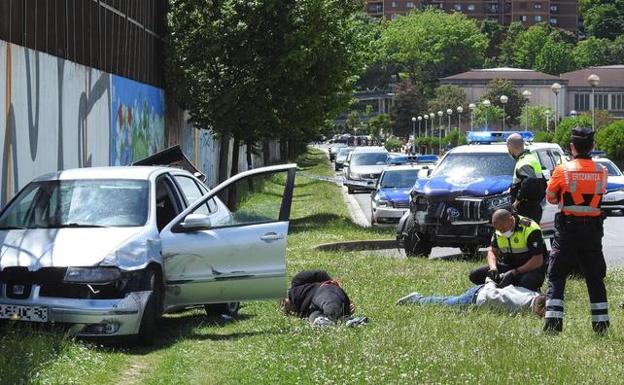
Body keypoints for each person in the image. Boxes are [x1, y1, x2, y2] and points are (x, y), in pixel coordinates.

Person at [543, 127, 609, 335]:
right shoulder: (602, 171)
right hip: (592, 231)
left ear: (572, 147)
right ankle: (601, 326)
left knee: (556, 275)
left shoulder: (563, 170)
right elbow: (599, 194)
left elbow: (551, 197)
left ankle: (553, 326)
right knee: (595, 277)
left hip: (568, 230)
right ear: (592, 147)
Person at [469, 209, 546, 291]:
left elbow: (538, 260)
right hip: (508, 266)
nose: (502, 232)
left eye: (503, 229)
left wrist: (514, 272)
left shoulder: (530, 229)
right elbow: (492, 251)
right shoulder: (499, 228)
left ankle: (521, 288)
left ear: (511, 220)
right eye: (499, 230)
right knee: (475, 274)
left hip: (529, 269)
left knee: (526, 282)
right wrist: (493, 268)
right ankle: (499, 288)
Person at [396, 278, 546, 317]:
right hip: (477, 296)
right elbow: (491, 297)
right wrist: (490, 283)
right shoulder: (519, 305)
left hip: (481, 291)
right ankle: (417, 300)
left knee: (449, 302)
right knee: (446, 303)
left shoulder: (533, 294)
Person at [281, 270, 361, 326]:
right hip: (314, 307)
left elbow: (321, 274)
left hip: (324, 292)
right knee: (316, 318)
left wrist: (334, 286)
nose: (284, 306)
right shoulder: (302, 312)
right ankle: (347, 321)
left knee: (330, 306)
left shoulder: (296, 284)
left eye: (282, 303)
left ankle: (345, 319)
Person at [506, 133, 546, 223]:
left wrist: (517, 200)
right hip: (534, 207)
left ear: (510, 146)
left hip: (525, 209)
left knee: (524, 235)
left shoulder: (524, 162)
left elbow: (529, 181)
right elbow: (543, 182)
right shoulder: (531, 158)